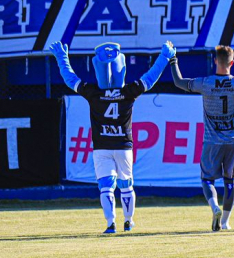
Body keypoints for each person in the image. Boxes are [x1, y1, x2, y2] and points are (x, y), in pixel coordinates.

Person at [48, 40, 173, 234]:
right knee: (126, 184)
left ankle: (110, 224)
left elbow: (70, 79)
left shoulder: (94, 92)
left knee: (105, 186)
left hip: (102, 147)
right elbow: (150, 78)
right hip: (123, 146)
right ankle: (128, 221)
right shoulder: (128, 92)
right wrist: (164, 56)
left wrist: (62, 58)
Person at [170, 35, 234, 232]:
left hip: (212, 141)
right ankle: (225, 222)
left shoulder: (205, 83)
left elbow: (179, 82)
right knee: (230, 181)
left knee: (207, 179)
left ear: (215, 60)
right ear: (232, 62)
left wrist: (173, 61)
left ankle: (214, 206)